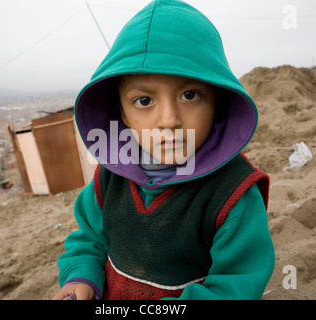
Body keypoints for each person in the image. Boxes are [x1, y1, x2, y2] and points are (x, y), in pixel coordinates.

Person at [53, 0, 274, 300]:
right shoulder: (108, 178)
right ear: (123, 114)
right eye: (144, 101)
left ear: (218, 102)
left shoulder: (233, 194)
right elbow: (89, 240)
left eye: (190, 94)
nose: (169, 120)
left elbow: (236, 286)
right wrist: (81, 278)